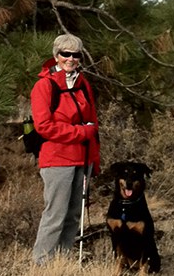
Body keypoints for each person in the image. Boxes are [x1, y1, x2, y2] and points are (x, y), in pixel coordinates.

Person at [31, 33, 100, 265]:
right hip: (57, 160)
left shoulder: (83, 85)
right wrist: (80, 132)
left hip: (83, 160)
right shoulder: (44, 86)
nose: (71, 58)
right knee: (55, 215)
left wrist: (94, 161)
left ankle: (62, 261)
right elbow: (44, 127)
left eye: (76, 54)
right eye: (65, 54)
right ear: (56, 55)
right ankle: (42, 264)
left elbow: (93, 125)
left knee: (73, 215)